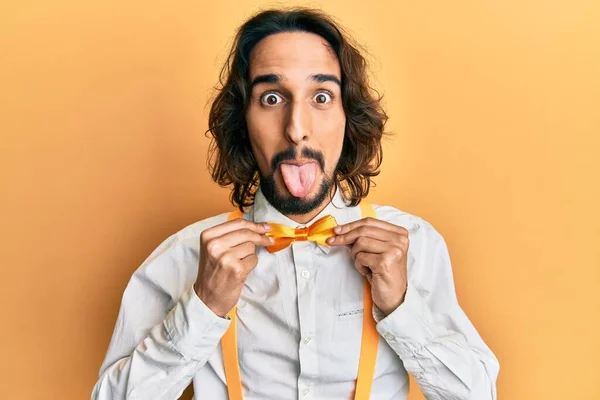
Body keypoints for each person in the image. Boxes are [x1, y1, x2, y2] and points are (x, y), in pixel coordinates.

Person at [92, 7, 499, 400]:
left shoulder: (414, 246)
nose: (296, 129)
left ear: (348, 116)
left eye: (321, 96)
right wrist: (203, 306)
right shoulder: (186, 255)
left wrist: (401, 306)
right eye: (271, 98)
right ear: (242, 119)